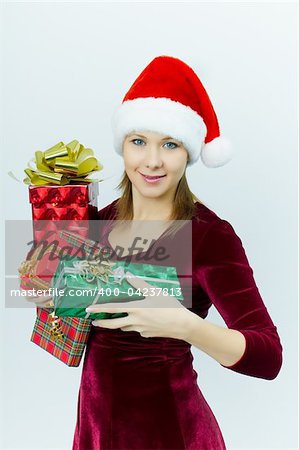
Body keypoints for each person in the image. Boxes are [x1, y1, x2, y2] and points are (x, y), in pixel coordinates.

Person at [31, 55, 284, 449]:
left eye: (169, 144)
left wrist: (185, 325)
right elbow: (67, 311)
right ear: (123, 147)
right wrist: (44, 287)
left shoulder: (208, 236)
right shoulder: (97, 221)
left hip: (172, 434)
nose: (152, 161)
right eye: (138, 142)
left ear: (189, 152)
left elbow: (268, 358)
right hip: (96, 430)